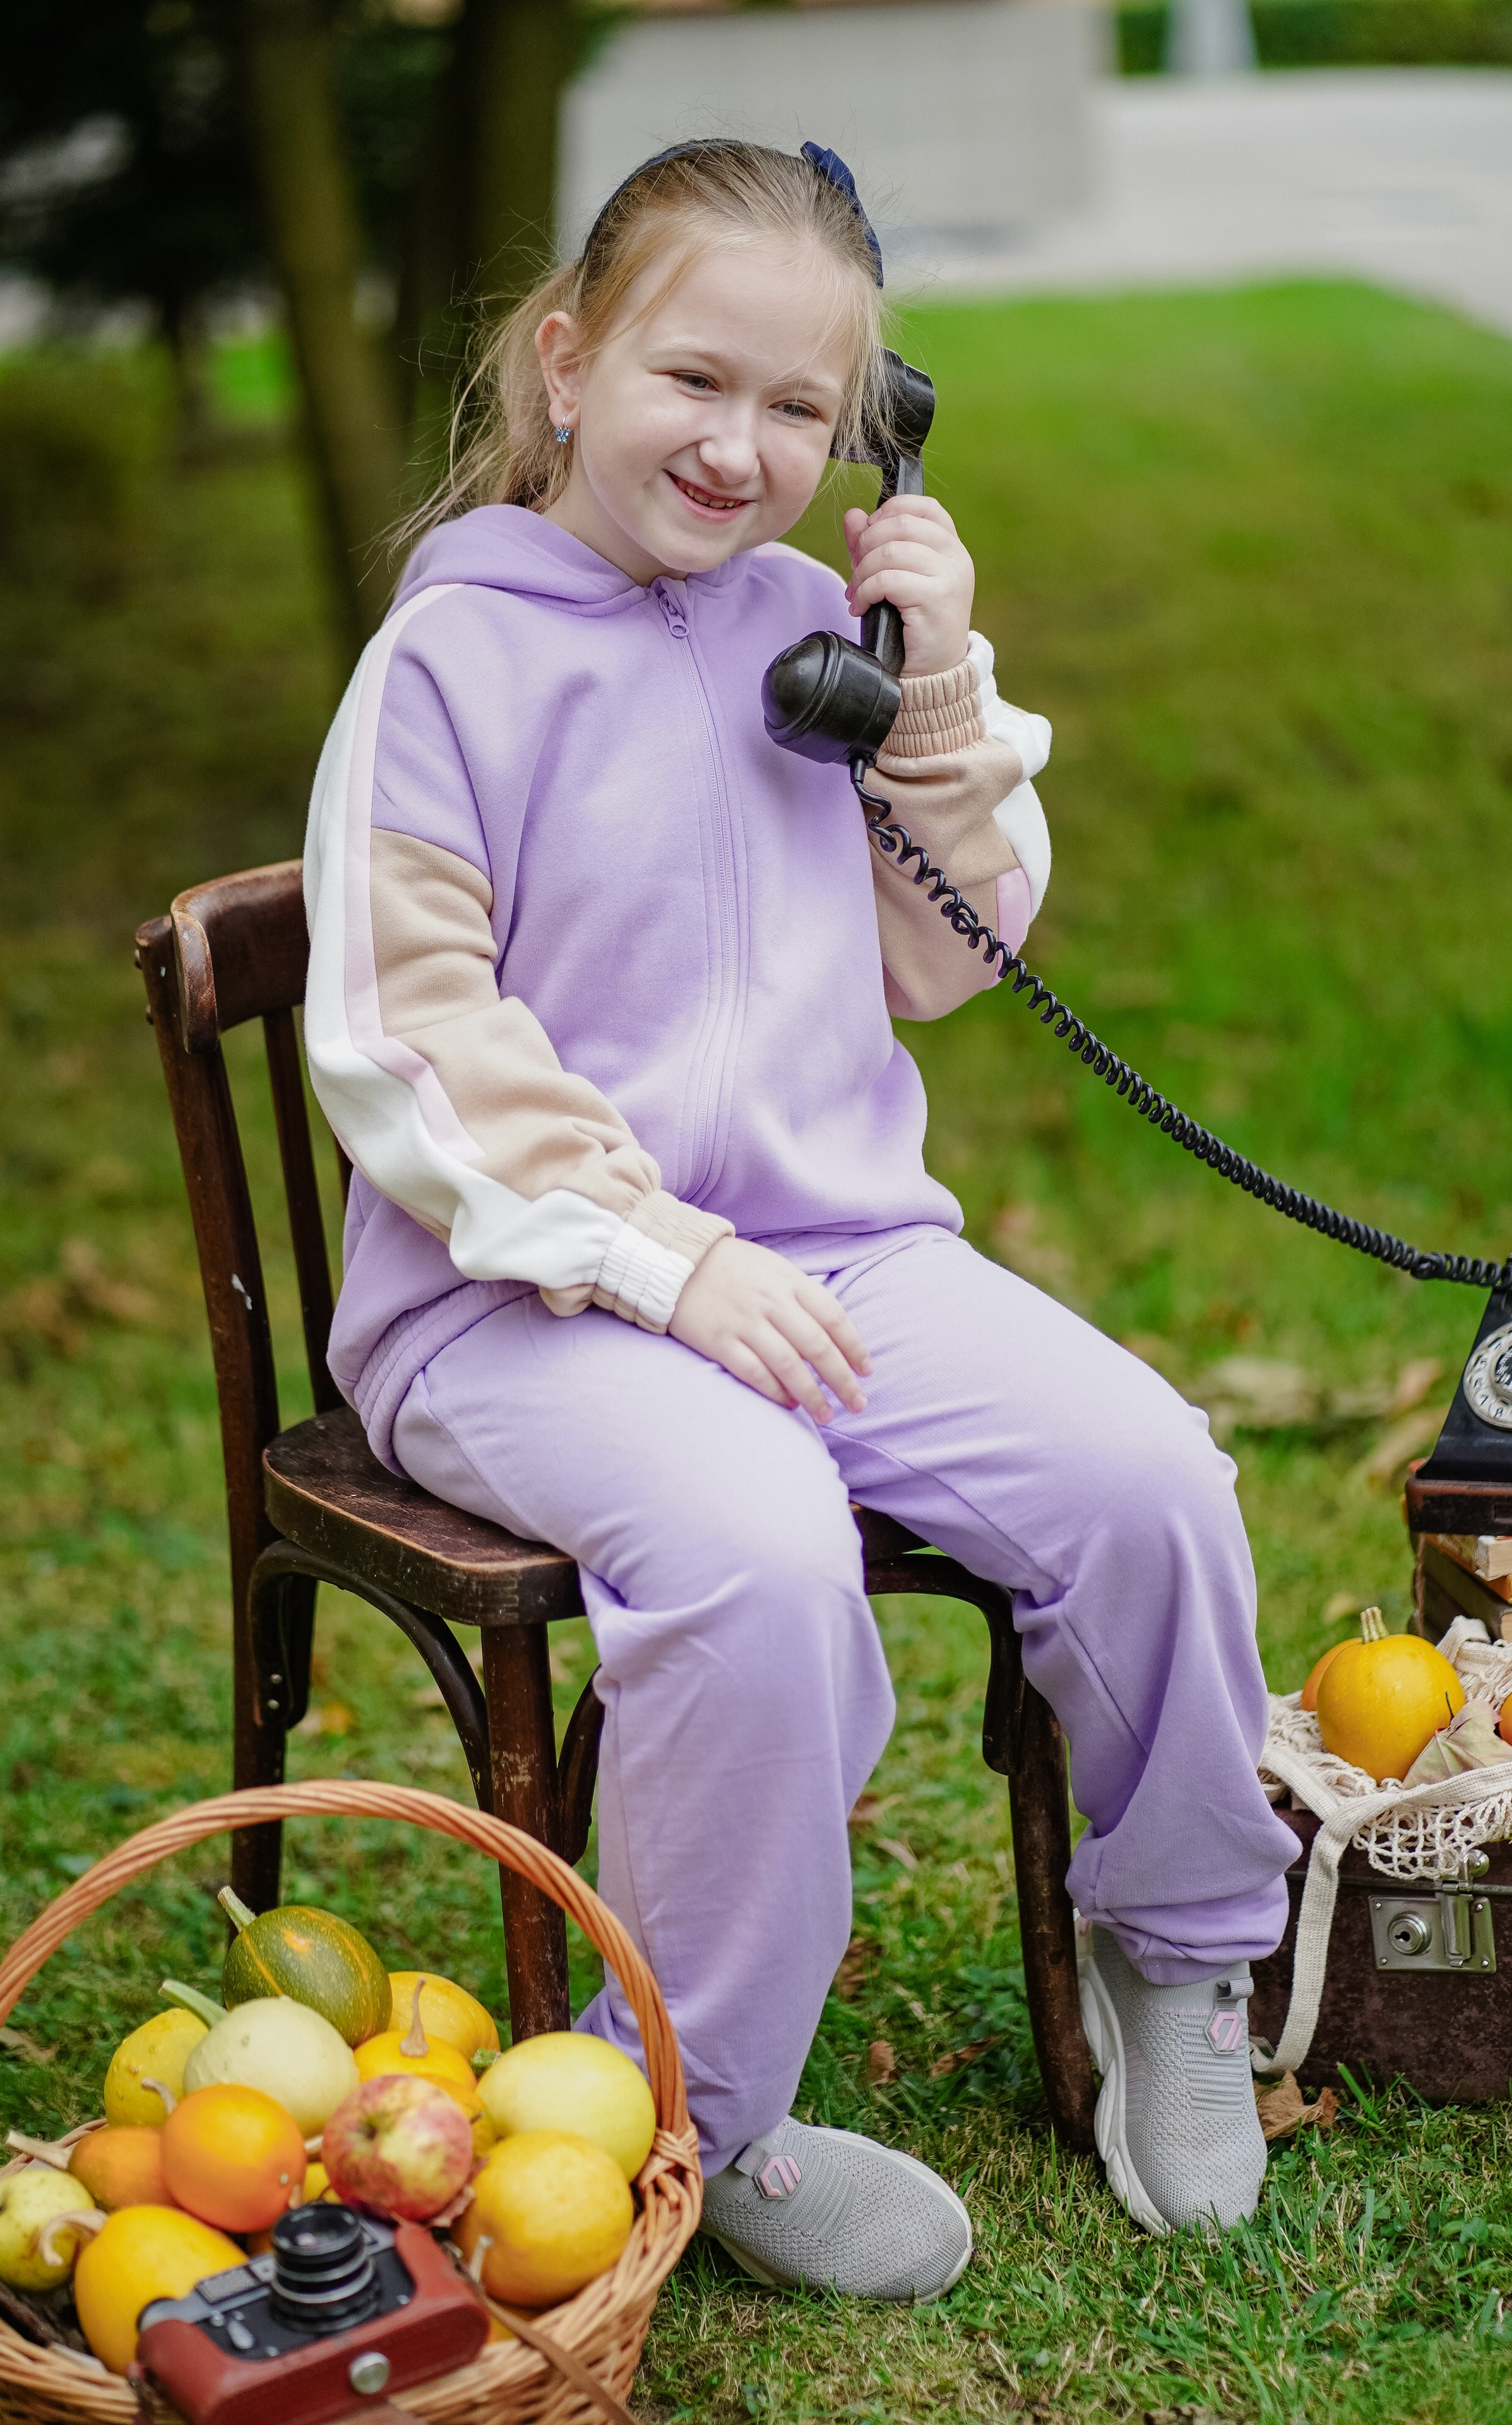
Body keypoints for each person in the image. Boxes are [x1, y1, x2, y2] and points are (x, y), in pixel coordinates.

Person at [303, 138, 1298, 2291]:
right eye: (693, 381)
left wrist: (926, 678)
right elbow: (406, 1029)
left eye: (799, 411)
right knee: (754, 1555)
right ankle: (684, 2111)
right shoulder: (450, 663)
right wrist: (665, 1259)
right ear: (567, 364)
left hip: (834, 1256)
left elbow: (946, 958)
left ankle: (1178, 1960)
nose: (740, 450)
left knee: (1154, 1481)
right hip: (527, 1296)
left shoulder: (804, 636)